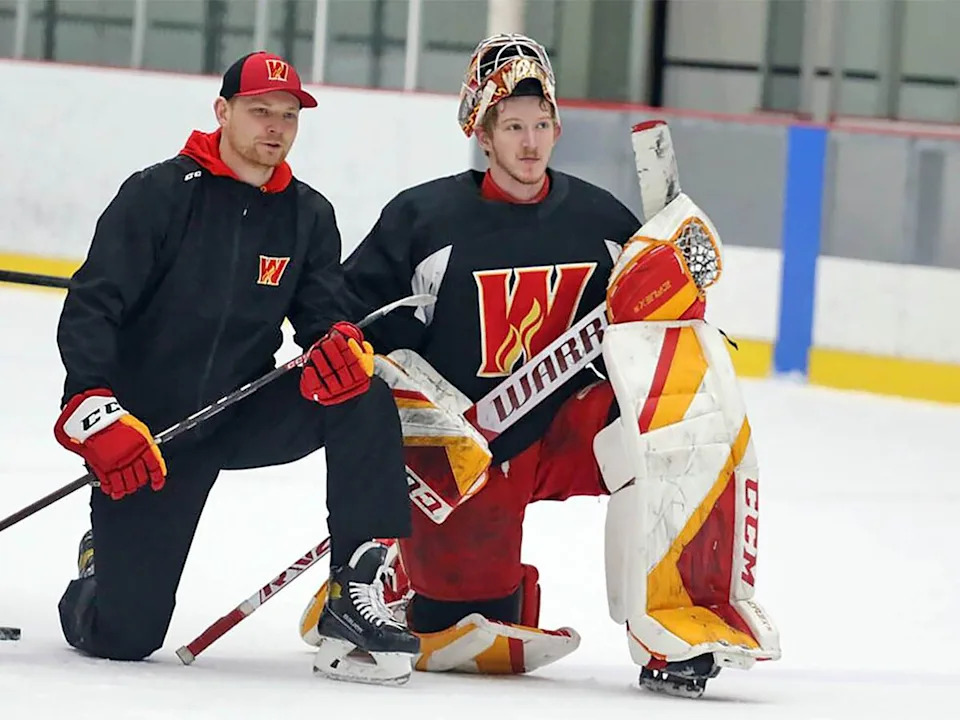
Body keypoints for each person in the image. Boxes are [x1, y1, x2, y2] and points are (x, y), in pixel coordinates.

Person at [298, 34, 781, 696]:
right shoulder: (424, 219)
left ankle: (675, 625)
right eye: (513, 126)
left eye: (542, 124)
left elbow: (650, 333)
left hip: (567, 431)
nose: (531, 142)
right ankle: (403, 573)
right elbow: (354, 326)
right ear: (483, 133)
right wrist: (353, 355)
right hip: (469, 458)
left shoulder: (599, 220)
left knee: (685, 414)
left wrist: (682, 318)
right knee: (466, 630)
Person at [53, 51, 419, 685]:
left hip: (241, 410)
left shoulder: (308, 214)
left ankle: (355, 590)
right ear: (223, 111)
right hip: (149, 438)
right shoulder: (157, 195)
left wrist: (338, 347)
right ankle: (99, 570)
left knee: (361, 394)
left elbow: (322, 320)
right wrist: (94, 409)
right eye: (258, 112)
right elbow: (92, 307)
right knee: (125, 638)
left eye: (287, 115)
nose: (274, 127)